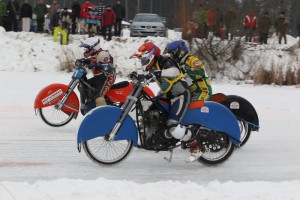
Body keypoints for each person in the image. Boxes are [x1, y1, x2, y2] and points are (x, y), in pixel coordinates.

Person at [130, 42, 194, 162]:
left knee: (172, 124)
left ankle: (194, 142)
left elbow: (174, 72)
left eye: (144, 59)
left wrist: (159, 73)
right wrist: (139, 76)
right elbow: (150, 76)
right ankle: (154, 137)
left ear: (152, 56)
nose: (142, 62)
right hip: (167, 95)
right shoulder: (154, 65)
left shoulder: (166, 62)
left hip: (179, 95)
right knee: (150, 110)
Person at [164, 40, 212, 163]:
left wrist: (185, 69)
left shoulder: (191, 60)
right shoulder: (178, 64)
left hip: (201, 91)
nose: (171, 56)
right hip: (190, 93)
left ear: (180, 51)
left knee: (193, 113)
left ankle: (199, 138)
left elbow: (199, 71)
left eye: (172, 54)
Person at [78, 37, 116, 113]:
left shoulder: (103, 54)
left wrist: (98, 66)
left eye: (87, 48)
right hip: (99, 77)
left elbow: (109, 67)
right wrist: (84, 61)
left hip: (107, 78)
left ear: (94, 47)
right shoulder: (96, 54)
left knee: (98, 97)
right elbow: (93, 60)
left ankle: (103, 115)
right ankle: (90, 104)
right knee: (83, 86)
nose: (86, 50)